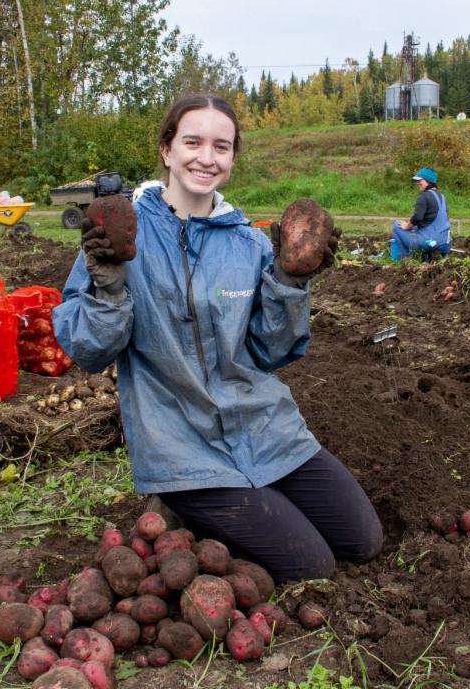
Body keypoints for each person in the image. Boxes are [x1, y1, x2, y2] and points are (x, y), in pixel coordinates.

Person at [52, 93, 383, 582]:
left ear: (232, 158)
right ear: (166, 150)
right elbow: (90, 349)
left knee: (362, 540)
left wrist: (290, 284)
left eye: (221, 147)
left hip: (264, 427)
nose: (206, 157)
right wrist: (109, 287)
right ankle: (179, 502)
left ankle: (243, 498)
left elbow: (269, 352)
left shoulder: (247, 243)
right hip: (180, 441)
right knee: (311, 564)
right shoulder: (120, 237)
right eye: (193, 142)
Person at [392, 166, 451, 261]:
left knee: (396, 225)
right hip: (445, 241)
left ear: (429, 181)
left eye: (420, 180)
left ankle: (404, 259)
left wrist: (407, 226)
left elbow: (417, 218)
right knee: (416, 228)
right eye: (416, 181)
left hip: (428, 241)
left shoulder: (424, 196)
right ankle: (431, 256)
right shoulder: (442, 197)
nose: (417, 183)